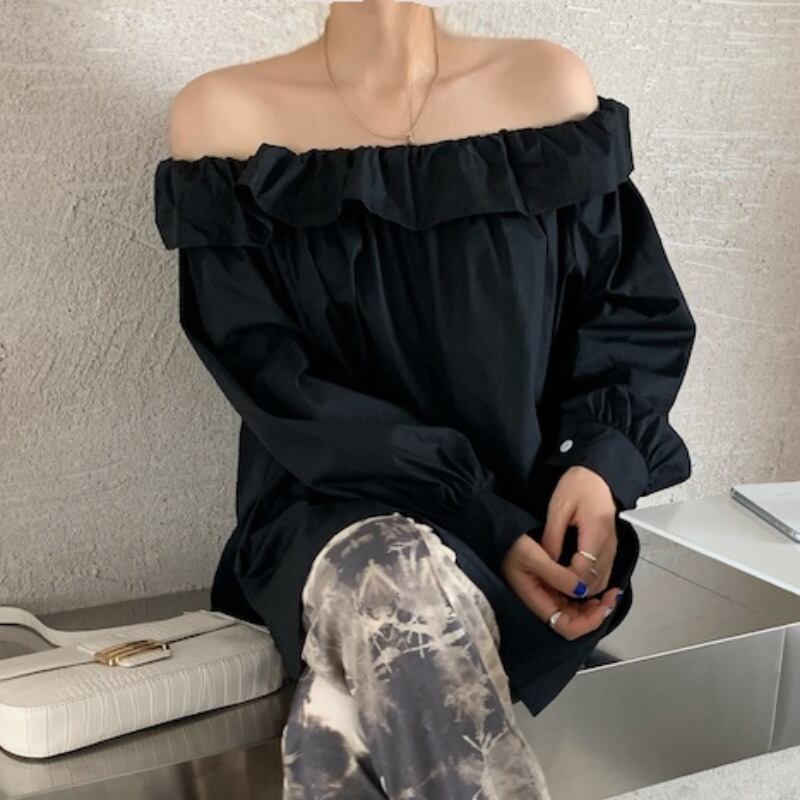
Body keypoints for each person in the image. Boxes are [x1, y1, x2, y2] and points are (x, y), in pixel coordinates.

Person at [153, 3, 696, 797]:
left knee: (344, 713)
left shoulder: (545, 88)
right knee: (394, 578)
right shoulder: (226, 118)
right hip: (332, 520)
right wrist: (479, 517)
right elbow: (277, 383)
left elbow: (626, 311)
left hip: (531, 540)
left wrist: (598, 468)